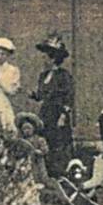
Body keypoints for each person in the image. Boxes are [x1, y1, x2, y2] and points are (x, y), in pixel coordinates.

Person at [31, 34, 74, 177]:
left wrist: (63, 115)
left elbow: (69, 96)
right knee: (45, 140)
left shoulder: (64, 75)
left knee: (58, 142)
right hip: (45, 113)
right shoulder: (43, 76)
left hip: (58, 113)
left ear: (53, 58)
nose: (43, 59)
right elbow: (40, 96)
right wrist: (32, 95)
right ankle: (46, 173)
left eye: (45, 56)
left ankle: (60, 174)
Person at [15, 113, 50, 187]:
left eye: (29, 128)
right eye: (24, 129)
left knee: (41, 177)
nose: (27, 131)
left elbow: (45, 150)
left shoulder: (39, 139)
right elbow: (18, 152)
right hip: (26, 163)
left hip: (38, 162)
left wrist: (39, 151)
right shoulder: (21, 141)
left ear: (33, 128)